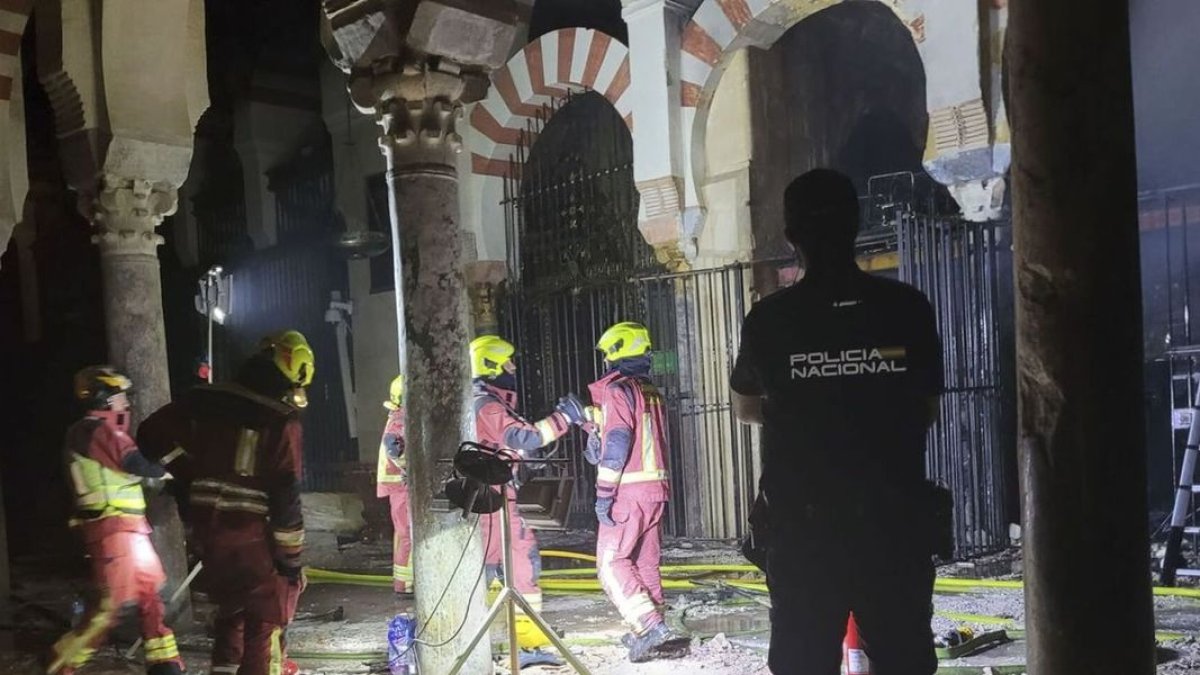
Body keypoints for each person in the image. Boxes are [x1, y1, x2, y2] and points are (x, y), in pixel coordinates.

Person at [730, 169, 944, 675]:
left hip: (805, 532)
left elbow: (745, 408)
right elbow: (927, 409)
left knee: (803, 662)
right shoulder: (906, 308)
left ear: (792, 237)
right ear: (856, 225)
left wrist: (806, 404)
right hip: (892, 525)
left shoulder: (770, 320)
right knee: (905, 660)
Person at [138, 330, 313, 675]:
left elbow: (149, 433)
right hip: (252, 534)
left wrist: (188, 474)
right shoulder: (281, 418)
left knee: (231, 614)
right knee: (263, 624)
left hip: (206, 531)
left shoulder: (205, 398)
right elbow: (285, 495)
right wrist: (291, 563)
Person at [48, 366, 183, 675]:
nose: (127, 403)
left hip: (130, 531)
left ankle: (165, 665)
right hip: (111, 531)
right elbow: (134, 463)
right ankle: (58, 665)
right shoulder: (94, 431)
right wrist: (172, 468)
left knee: (150, 597)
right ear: (103, 399)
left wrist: (163, 476)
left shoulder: (102, 434)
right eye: (121, 397)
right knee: (107, 611)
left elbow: (128, 473)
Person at [585, 322, 688, 663]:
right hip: (655, 490)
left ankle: (649, 627)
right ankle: (659, 632)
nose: (605, 361)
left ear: (617, 352)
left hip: (628, 493)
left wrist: (604, 493)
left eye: (607, 354)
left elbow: (617, 442)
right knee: (645, 563)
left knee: (611, 563)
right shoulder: (650, 391)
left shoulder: (618, 390)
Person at [469, 335, 586, 614]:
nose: (513, 368)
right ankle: (527, 628)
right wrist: (564, 418)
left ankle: (487, 624)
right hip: (494, 497)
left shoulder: (484, 402)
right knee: (520, 555)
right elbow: (522, 436)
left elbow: (501, 443)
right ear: (491, 366)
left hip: (489, 494)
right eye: (507, 362)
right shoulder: (487, 405)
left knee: (490, 561)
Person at [377, 374, 413, 594]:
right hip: (402, 488)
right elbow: (394, 448)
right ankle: (405, 585)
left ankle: (405, 583)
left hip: (401, 488)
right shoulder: (401, 420)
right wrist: (409, 468)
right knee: (408, 534)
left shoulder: (399, 417)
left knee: (404, 534)